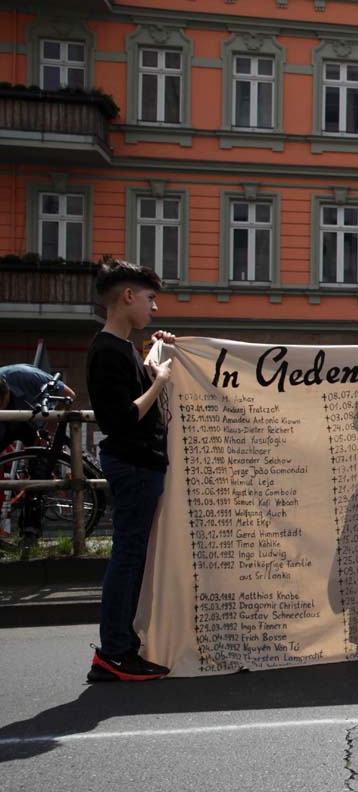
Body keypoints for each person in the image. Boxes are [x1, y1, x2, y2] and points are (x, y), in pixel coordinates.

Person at [86, 261, 175, 682]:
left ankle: (120, 647)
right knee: (127, 558)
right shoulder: (106, 350)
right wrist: (159, 382)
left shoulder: (120, 347)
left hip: (140, 464)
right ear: (127, 297)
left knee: (132, 557)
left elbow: (133, 386)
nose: (153, 307)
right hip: (134, 464)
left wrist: (155, 352)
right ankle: (115, 652)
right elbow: (121, 418)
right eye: (149, 298)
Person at [0, 365, 75, 451]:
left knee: (42, 453)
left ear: (7, 390)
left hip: (37, 418)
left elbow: (69, 394)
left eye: (1, 403)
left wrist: (50, 425)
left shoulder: (27, 376)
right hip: (10, 421)